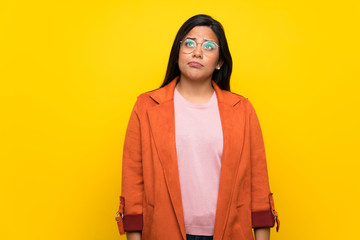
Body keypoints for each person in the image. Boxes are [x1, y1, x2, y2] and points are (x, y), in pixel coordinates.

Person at [115, 14, 279, 240]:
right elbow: (133, 184)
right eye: (189, 43)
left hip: (230, 233)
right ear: (177, 53)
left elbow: (258, 185)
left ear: (220, 61)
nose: (197, 52)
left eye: (209, 46)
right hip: (164, 233)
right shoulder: (146, 107)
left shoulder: (242, 110)